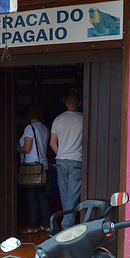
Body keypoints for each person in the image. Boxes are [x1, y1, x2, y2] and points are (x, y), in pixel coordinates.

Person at [50, 93, 83, 229]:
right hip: (76, 161)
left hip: (61, 161)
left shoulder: (58, 119)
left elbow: (52, 143)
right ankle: (67, 225)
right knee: (73, 196)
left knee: (65, 196)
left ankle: (67, 224)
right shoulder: (83, 119)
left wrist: (62, 154)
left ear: (66, 103)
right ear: (79, 103)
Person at [17, 105, 50, 234]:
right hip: (42, 165)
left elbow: (26, 148)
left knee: (31, 197)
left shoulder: (29, 128)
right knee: (41, 195)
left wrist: (15, 148)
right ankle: (46, 224)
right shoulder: (45, 129)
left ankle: (32, 225)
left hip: (31, 166)